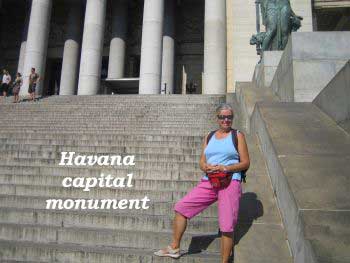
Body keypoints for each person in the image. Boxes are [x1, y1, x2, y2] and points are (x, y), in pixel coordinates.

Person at [154, 103, 250, 262]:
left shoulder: (237, 135)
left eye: (229, 117)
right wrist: (205, 166)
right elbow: (202, 160)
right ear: (217, 118)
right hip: (209, 181)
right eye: (222, 117)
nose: (226, 120)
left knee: (226, 225)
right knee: (181, 208)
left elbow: (246, 163)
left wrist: (226, 168)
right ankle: (175, 247)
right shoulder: (210, 136)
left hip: (230, 181)